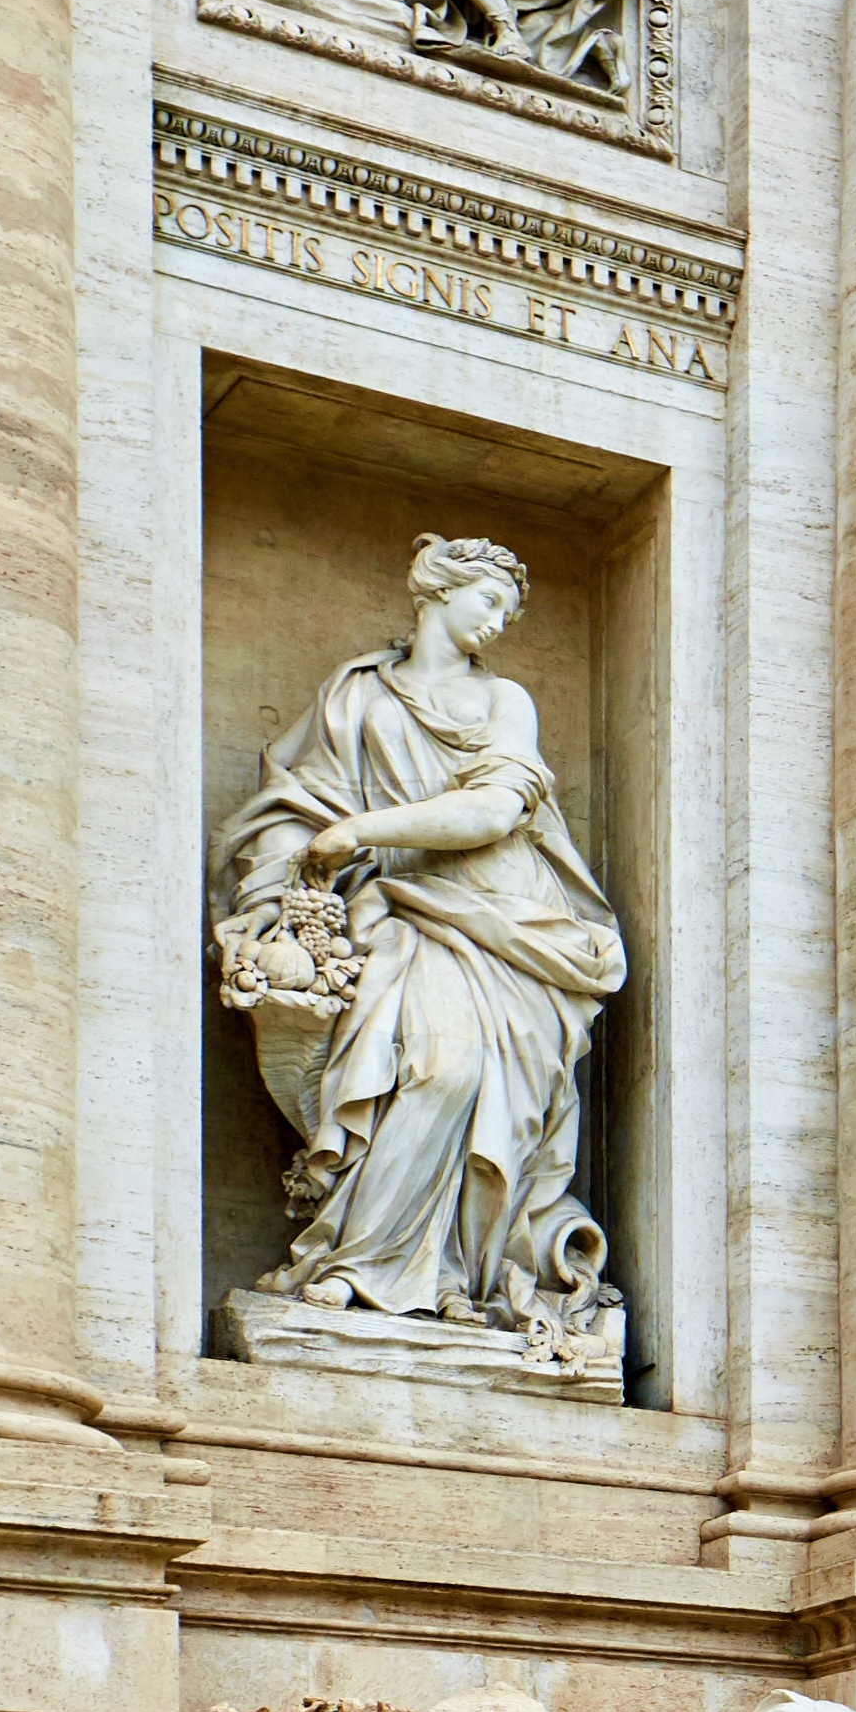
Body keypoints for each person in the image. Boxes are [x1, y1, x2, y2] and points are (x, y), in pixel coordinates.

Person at [212, 536, 628, 1357]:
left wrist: (355, 832)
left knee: (460, 1071)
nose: (499, 621)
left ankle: (446, 1274)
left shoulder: (505, 699)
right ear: (437, 590)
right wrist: (298, 863)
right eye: (489, 601)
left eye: (511, 611)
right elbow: (294, 800)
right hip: (393, 909)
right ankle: (361, 1266)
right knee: (411, 1065)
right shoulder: (354, 693)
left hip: (504, 919)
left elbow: (489, 814)